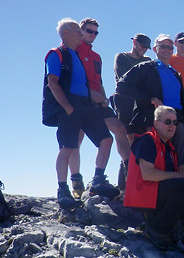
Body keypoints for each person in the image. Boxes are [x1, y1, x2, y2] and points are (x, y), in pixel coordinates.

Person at [43, 18, 118, 209]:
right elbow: (52, 82)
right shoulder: (56, 54)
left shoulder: (76, 55)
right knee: (67, 147)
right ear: (66, 33)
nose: (81, 34)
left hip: (86, 106)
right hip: (70, 106)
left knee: (106, 140)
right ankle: (63, 189)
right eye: (78, 31)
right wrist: (67, 107)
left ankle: (98, 181)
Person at [124, 106, 184, 250]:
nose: (172, 126)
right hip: (143, 194)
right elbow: (148, 174)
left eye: (175, 123)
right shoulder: (147, 140)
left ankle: (160, 219)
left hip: (156, 192)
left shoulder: (169, 147)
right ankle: (157, 230)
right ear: (156, 123)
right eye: (167, 122)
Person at [116, 34, 184, 174]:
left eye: (170, 47)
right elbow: (121, 86)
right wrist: (149, 99)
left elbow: (182, 102)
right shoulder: (145, 68)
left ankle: (181, 190)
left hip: (178, 122)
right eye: (163, 46)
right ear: (154, 49)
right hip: (154, 121)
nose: (167, 50)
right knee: (156, 163)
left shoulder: (176, 74)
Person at [75, 18, 131, 192]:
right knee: (76, 141)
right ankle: (76, 180)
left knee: (119, 129)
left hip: (98, 103)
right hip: (78, 101)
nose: (93, 35)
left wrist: (105, 99)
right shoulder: (72, 51)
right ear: (80, 30)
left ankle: (121, 171)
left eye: (95, 32)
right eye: (89, 31)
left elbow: (98, 81)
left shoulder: (96, 56)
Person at [113, 33, 152, 144]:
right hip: (125, 99)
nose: (144, 50)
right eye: (142, 46)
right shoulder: (122, 57)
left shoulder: (147, 60)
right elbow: (123, 80)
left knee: (142, 134)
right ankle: (127, 160)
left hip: (141, 101)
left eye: (146, 48)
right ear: (134, 43)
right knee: (127, 134)